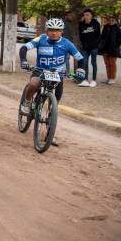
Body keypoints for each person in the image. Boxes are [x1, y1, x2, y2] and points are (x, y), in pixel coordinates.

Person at [20, 18, 86, 146]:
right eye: (51, 30)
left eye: (57, 30)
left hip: (57, 74)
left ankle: (49, 134)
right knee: (33, 84)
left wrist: (81, 69)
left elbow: (80, 58)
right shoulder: (41, 39)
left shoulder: (67, 43)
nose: (54, 33)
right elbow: (24, 48)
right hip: (40, 70)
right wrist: (23, 60)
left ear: (61, 31)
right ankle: (27, 102)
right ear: (47, 30)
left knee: (53, 105)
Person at [99, 16, 121, 84]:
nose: (111, 21)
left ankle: (112, 78)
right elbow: (102, 37)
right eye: (109, 20)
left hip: (113, 49)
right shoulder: (105, 27)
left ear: (115, 21)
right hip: (105, 49)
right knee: (107, 64)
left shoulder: (117, 28)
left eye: (112, 20)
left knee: (112, 64)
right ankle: (108, 78)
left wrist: (116, 45)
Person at [78, 8, 101, 87]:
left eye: (88, 15)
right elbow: (80, 36)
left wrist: (96, 44)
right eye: (85, 15)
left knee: (93, 63)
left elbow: (98, 36)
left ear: (91, 16)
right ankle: (85, 80)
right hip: (85, 48)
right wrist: (83, 44)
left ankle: (94, 80)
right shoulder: (81, 24)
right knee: (84, 63)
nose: (86, 16)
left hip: (94, 47)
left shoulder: (96, 23)